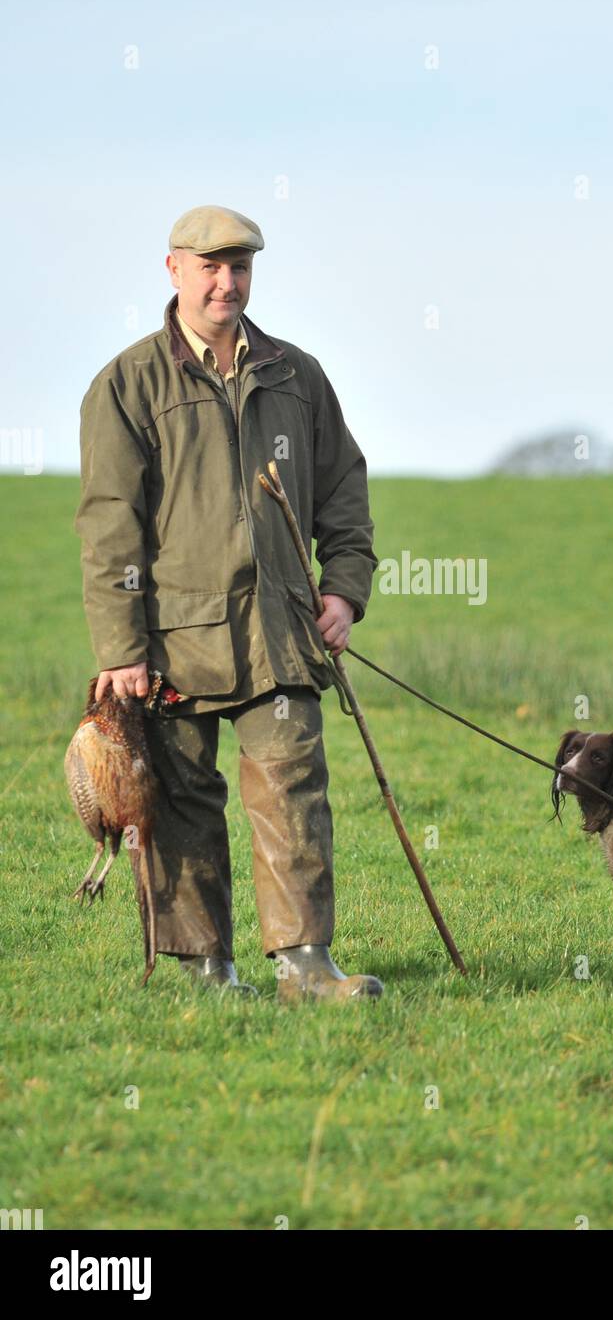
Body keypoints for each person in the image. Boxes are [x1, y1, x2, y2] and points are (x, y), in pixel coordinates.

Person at [74, 204, 383, 1002]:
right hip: (171, 641)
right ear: (173, 270)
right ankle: (207, 969)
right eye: (209, 266)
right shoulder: (127, 383)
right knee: (179, 800)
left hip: (280, 628)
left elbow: (344, 486)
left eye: (239, 266)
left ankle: (306, 965)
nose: (226, 281)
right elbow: (110, 527)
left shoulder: (296, 375)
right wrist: (120, 648)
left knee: (294, 788)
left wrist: (345, 587)